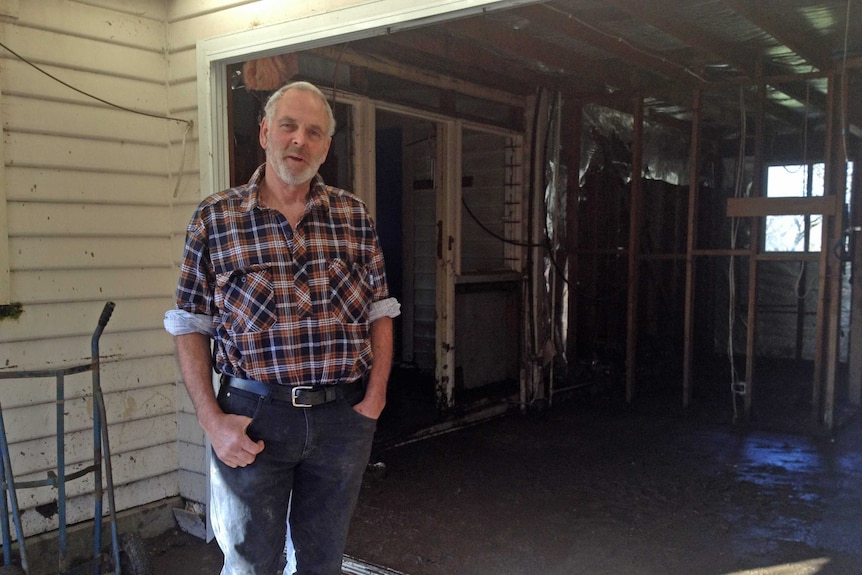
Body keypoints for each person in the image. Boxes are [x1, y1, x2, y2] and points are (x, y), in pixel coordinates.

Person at [164, 80, 399, 575]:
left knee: (323, 562)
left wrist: (374, 399)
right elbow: (190, 325)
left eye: (314, 132)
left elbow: (381, 312)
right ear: (266, 131)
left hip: (341, 419)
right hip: (252, 416)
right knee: (252, 564)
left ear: (326, 146)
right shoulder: (215, 219)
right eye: (289, 126)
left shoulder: (354, 217)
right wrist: (210, 419)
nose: (300, 140)